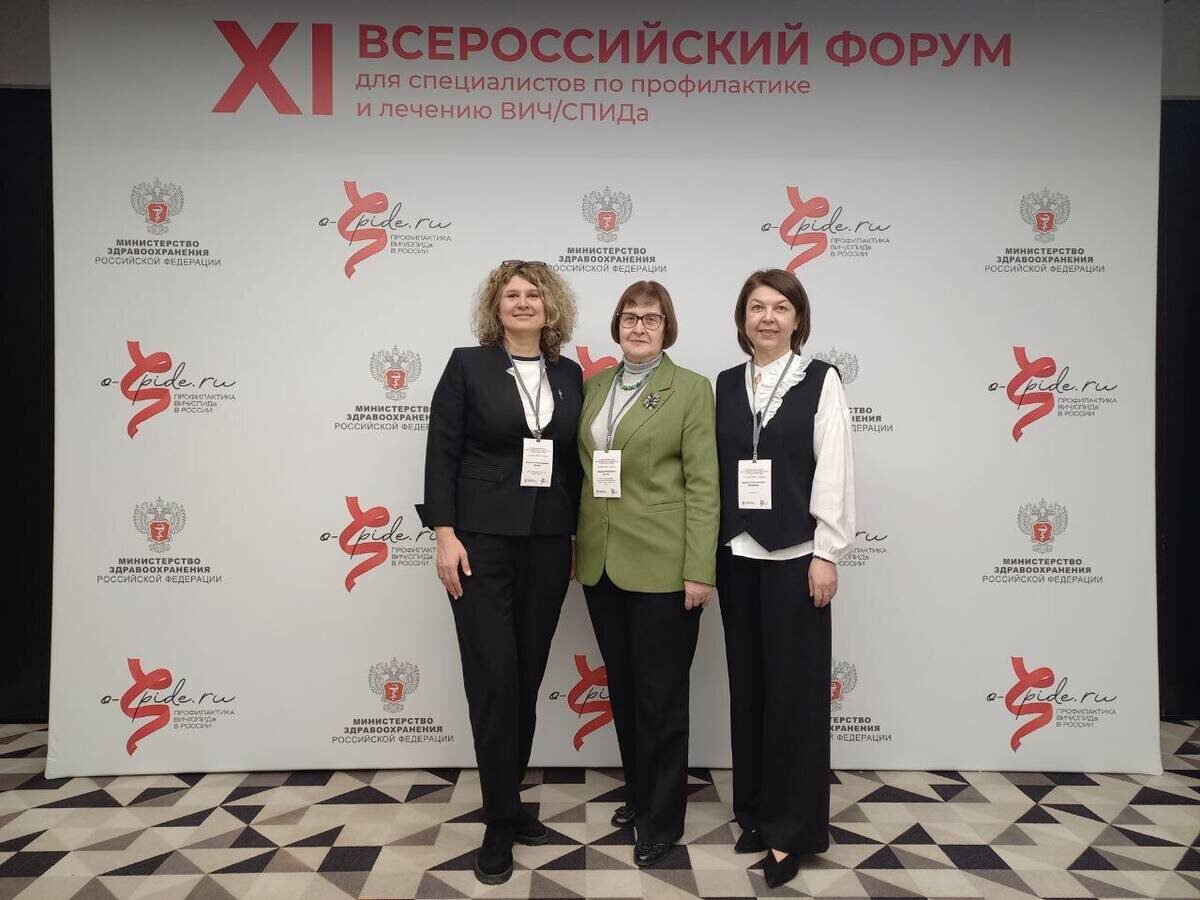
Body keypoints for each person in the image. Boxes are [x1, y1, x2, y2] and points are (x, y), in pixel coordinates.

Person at [416, 260, 583, 885]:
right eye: (511, 294)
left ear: (550, 306)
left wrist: (574, 536)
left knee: (527, 673)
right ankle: (498, 821)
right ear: (496, 307)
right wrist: (445, 534)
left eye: (533, 294)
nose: (522, 302)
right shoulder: (468, 366)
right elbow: (441, 452)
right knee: (494, 677)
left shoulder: (569, 374)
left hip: (547, 543)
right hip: (480, 542)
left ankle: (509, 804)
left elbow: (574, 463)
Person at [714, 268, 856, 888]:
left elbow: (834, 470)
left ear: (798, 319)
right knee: (749, 689)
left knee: (794, 697)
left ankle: (790, 830)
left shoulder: (821, 380)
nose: (767, 317)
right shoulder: (725, 383)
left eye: (780, 307)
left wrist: (827, 552)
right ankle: (755, 811)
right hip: (736, 554)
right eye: (756, 307)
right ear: (742, 318)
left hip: (797, 557)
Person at [575, 280, 719, 868]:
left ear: (667, 327)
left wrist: (699, 569)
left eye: (651, 318)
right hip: (601, 562)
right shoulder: (595, 386)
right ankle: (639, 795)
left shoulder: (690, 389)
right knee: (627, 690)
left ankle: (662, 818)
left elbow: (704, 485)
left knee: (661, 696)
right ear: (617, 325)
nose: (639, 326)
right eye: (630, 317)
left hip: (664, 565)